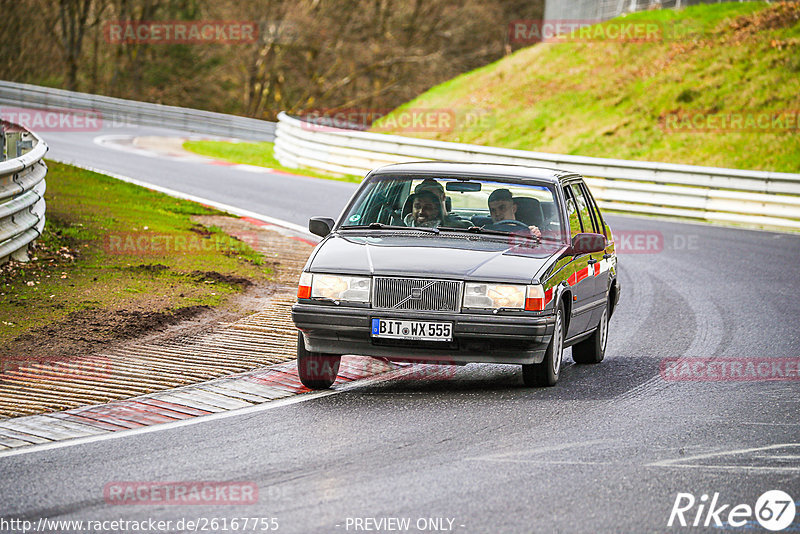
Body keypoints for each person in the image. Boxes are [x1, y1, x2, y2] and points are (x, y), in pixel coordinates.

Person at [403, 179, 470, 228]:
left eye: (431, 196)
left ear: (443, 197)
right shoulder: (402, 224)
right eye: (422, 194)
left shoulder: (459, 226)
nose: (421, 211)